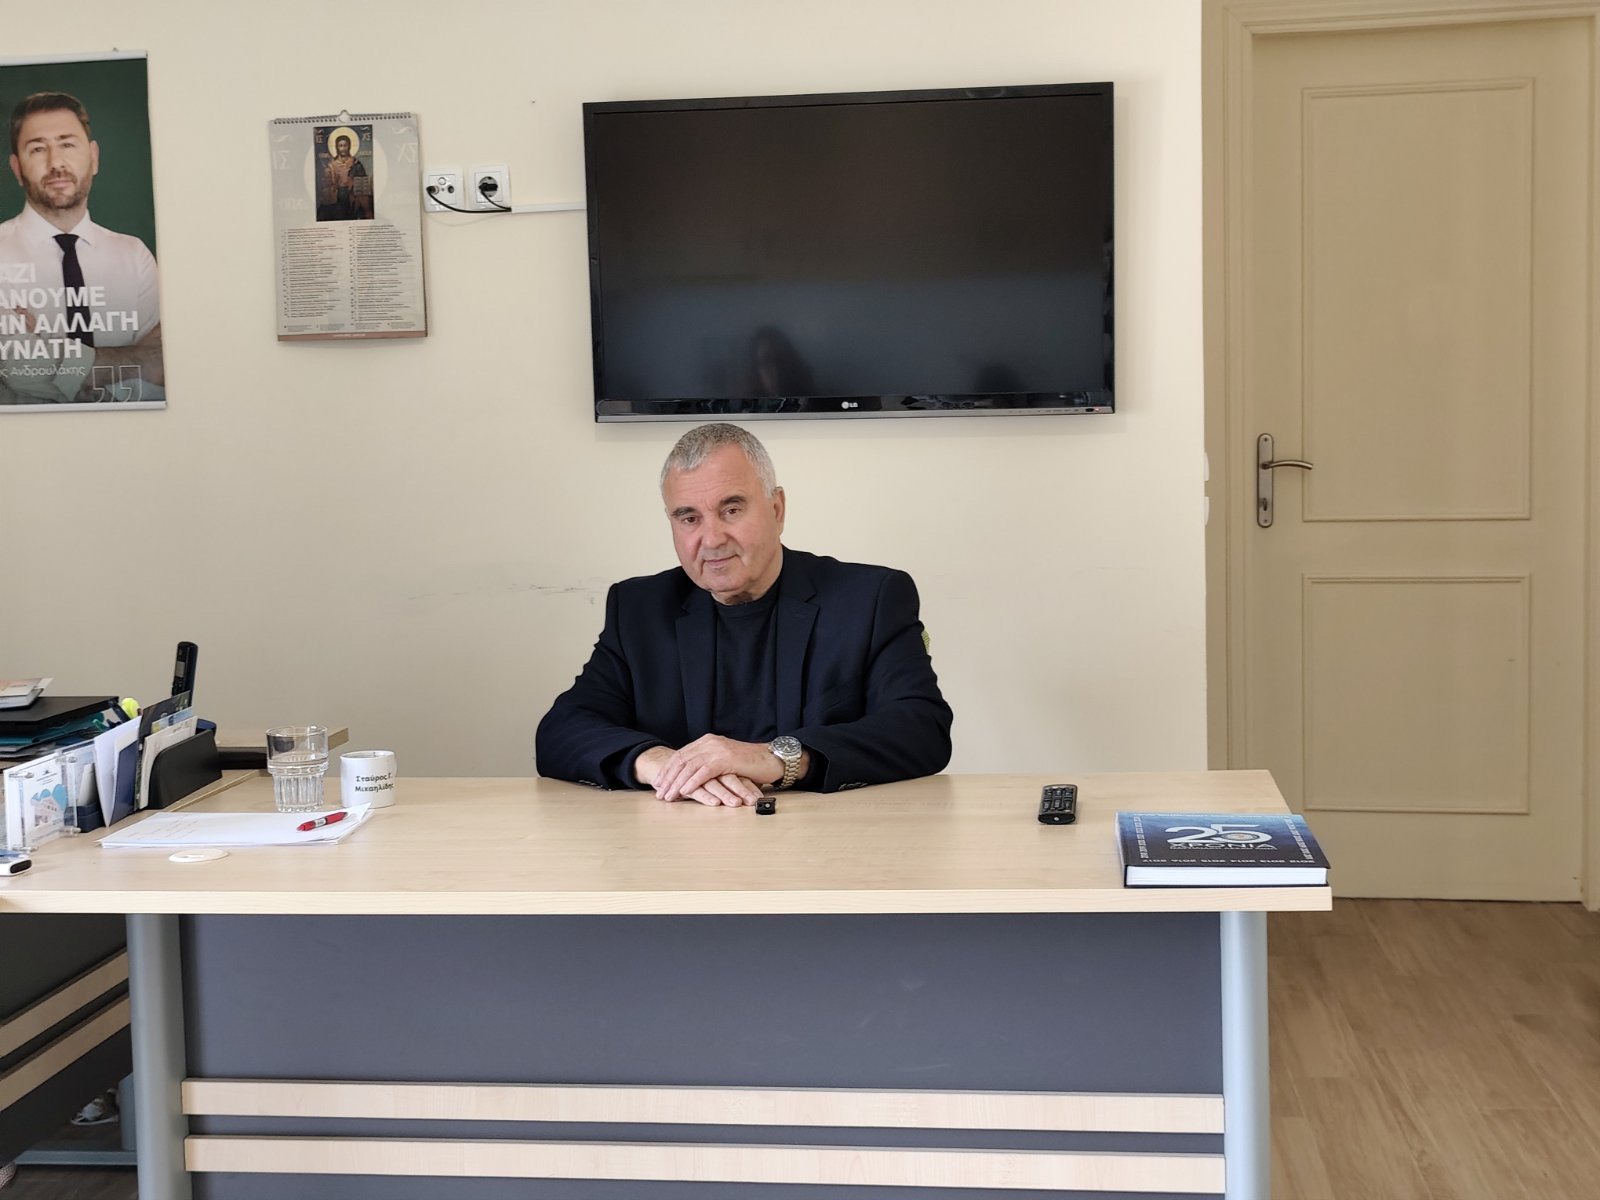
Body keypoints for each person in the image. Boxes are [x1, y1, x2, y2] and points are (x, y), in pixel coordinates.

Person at [537, 423, 953, 803]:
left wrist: (776, 758)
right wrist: (661, 763)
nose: (711, 538)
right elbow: (561, 730)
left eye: (731, 510)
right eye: (689, 518)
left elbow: (921, 729)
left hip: (825, 839)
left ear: (777, 509)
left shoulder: (870, 598)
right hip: (680, 841)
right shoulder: (639, 608)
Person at [0, 91, 163, 404]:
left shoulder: (134, 255)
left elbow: (159, 379)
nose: (55, 162)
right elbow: (18, 369)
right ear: (17, 169)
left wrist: (48, 347)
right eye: (38, 149)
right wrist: (138, 359)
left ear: (94, 157)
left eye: (67, 144)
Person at [317, 133, 371, 221]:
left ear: (349, 146)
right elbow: (326, 185)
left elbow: (362, 186)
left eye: (345, 145)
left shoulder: (356, 164)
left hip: (353, 198)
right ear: (337, 147)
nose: (343, 148)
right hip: (336, 199)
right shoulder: (331, 165)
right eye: (340, 146)